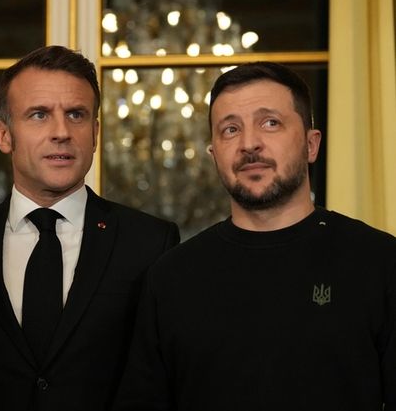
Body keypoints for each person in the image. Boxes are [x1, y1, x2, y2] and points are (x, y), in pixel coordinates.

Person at [113, 62, 396, 411]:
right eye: (230, 129)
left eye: (270, 123)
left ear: (311, 144)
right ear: (214, 154)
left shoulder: (379, 262)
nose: (249, 143)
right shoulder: (171, 278)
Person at [0, 45, 180, 411]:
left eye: (76, 115)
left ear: (95, 133)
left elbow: (164, 382)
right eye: (39, 115)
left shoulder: (149, 242)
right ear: (4, 135)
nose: (61, 132)